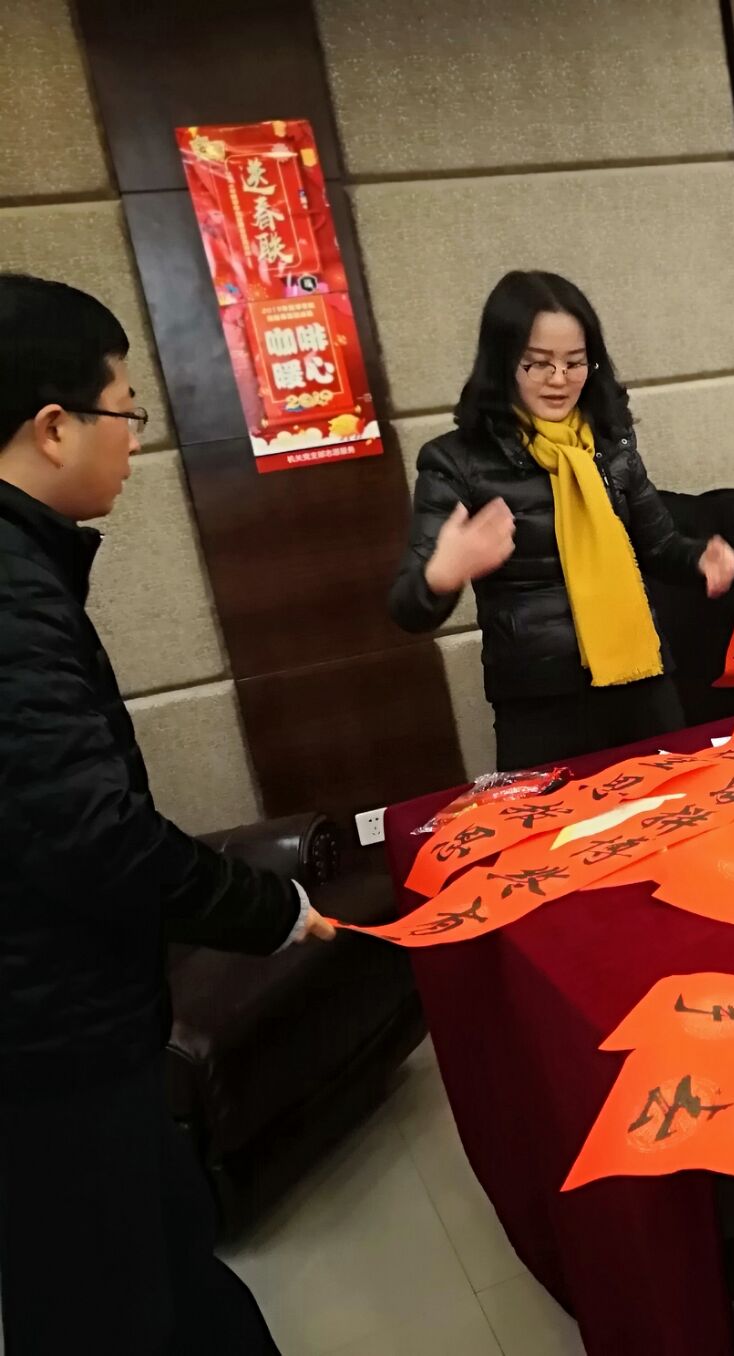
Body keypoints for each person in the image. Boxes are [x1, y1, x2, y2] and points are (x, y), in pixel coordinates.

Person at [0, 274, 332, 1352]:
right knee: (113, 1302)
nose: (134, 440)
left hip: (69, 1019)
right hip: (50, 1039)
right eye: (125, 409)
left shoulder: (26, 566)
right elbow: (90, 834)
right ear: (54, 427)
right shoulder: (9, 594)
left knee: (168, 1267)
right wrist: (270, 910)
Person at [390, 270, 734, 770]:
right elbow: (407, 606)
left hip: (641, 681)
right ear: (503, 361)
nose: (559, 380)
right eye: (537, 363)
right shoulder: (455, 461)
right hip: (541, 702)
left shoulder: (609, 441)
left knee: (675, 805)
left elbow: (660, 547)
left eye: (575, 363)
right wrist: (443, 574)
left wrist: (702, 558)